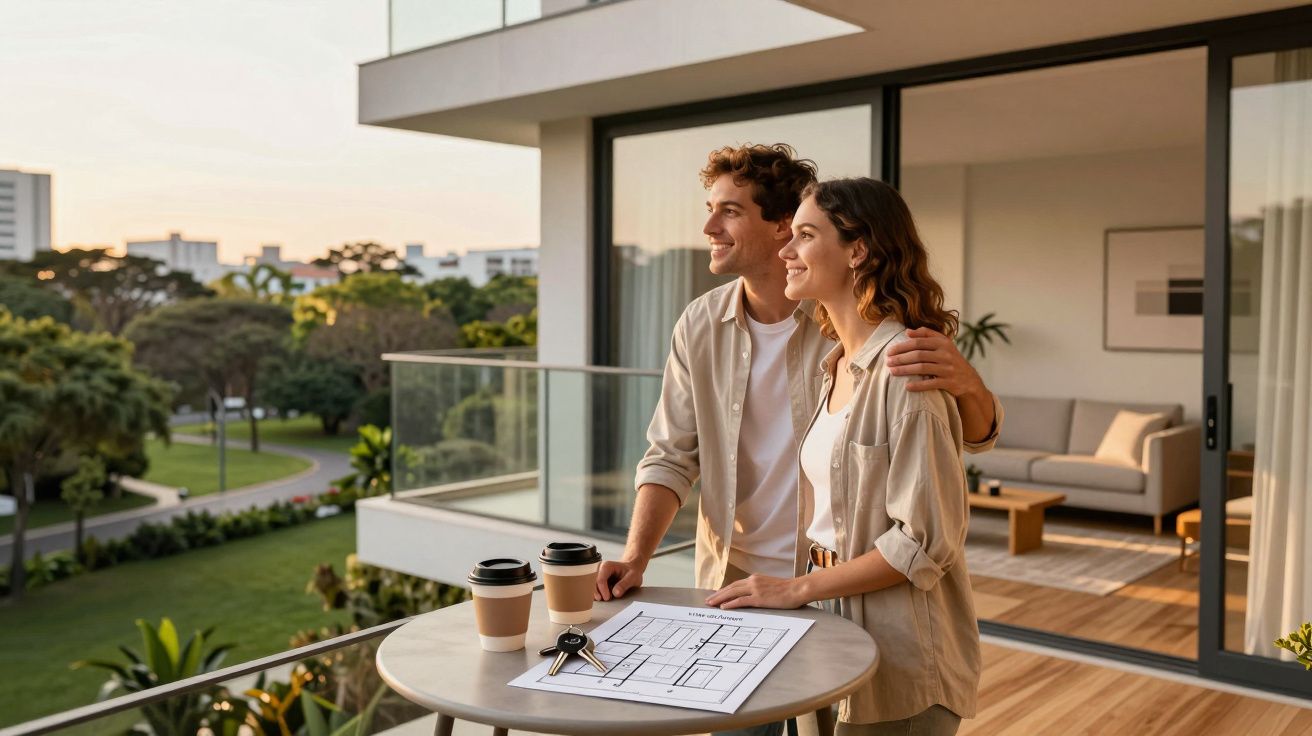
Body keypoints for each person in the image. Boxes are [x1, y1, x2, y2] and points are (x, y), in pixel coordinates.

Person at [595, 145, 1000, 735]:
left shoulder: (874, 347)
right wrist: (635, 558)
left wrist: (969, 383)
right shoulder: (728, 331)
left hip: (843, 602)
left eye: (729, 211)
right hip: (746, 590)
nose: (709, 227)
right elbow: (670, 455)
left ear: (788, 227)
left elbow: (937, 500)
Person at [707, 177, 979, 735]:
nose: (786, 250)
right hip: (825, 631)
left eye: (805, 236)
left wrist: (794, 588)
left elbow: (924, 541)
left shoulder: (905, 371)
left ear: (858, 250)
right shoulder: (832, 365)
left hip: (898, 656)